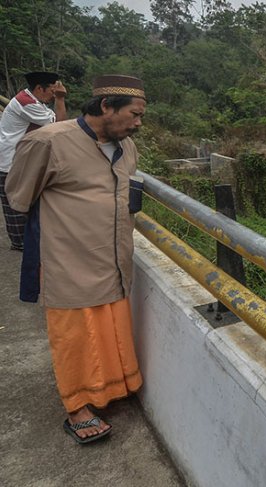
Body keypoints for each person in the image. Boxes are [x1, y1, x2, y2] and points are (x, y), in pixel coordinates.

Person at [6, 74, 146, 444]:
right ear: (105, 107)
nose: (138, 123)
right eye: (133, 114)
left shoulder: (126, 147)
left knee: (110, 327)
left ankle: (110, 390)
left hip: (113, 257)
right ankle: (78, 407)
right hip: (68, 259)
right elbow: (19, 195)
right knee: (74, 336)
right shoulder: (48, 142)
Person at [0, 71, 67, 251]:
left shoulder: (34, 101)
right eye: (52, 91)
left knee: (21, 200)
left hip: (17, 158)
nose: (54, 94)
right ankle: (20, 243)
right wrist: (60, 99)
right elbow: (59, 126)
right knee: (14, 203)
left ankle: (23, 240)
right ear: (39, 88)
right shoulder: (26, 103)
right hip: (11, 161)